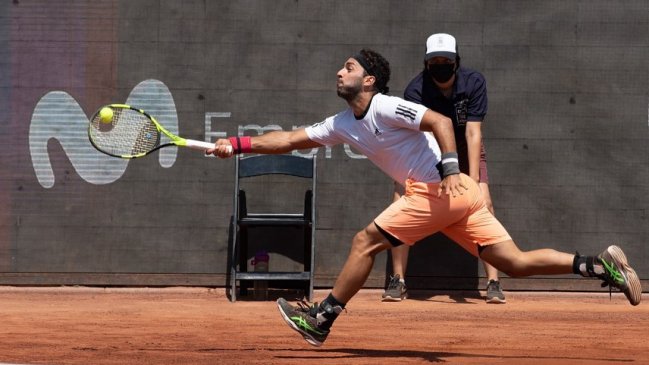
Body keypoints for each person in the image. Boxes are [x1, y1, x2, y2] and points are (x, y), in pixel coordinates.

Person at [207, 49, 642, 347]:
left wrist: (451, 169)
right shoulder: (343, 122)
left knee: (365, 241)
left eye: (349, 67)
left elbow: (439, 121)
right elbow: (287, 139)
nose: (340, 72)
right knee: (514, 262)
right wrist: (237, 144)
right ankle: (598, 265)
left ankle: (321, 319)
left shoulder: (384, 106)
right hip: (456, 196)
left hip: (440, 188)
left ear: (369, 79)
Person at [382, 33, 505, 304]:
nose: (440, 65)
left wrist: (473, 183)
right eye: (434, 60)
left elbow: (474, 133)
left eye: (445, 60)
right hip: (427, 150)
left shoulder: (474, 82)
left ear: (456, 61)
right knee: (400, 197)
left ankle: (494, 281)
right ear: (426, 64)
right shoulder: (415, 90)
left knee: (484, 202)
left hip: (464, 147)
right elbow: (419, 137)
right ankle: (398, 280)